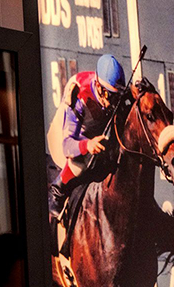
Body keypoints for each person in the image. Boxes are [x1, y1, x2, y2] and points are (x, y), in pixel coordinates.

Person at [48, 54, 127, 257]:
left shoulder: (112, 94)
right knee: (80, 164)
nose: (114, 101)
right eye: (111, 95)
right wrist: (87, 145)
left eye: (117, 96)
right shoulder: (79, 94)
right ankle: (58, 190)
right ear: (99, 87)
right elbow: (67, 146)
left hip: (93, 135)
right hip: (67, 139)